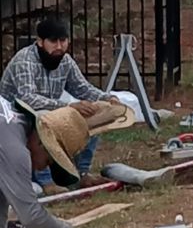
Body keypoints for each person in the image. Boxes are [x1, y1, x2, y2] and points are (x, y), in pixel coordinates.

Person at [0, 96, 133, 228]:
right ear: (41, 143)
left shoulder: (13, 125)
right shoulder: (15, 151)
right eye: (50, 160)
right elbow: (31, 216)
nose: (43, 167)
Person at [0, 15, 121, 184]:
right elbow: (27, 100)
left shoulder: (65, 61)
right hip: (12, 120)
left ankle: (82, 174)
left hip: (49, 113)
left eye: (63, 40)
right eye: (53, 41)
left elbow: (82, 88)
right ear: (40, 42)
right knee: (42, 119)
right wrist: (69, 107)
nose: (59, 46)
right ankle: (45, 181)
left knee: (95, 114)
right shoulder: (25, 60)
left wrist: (107, 99)